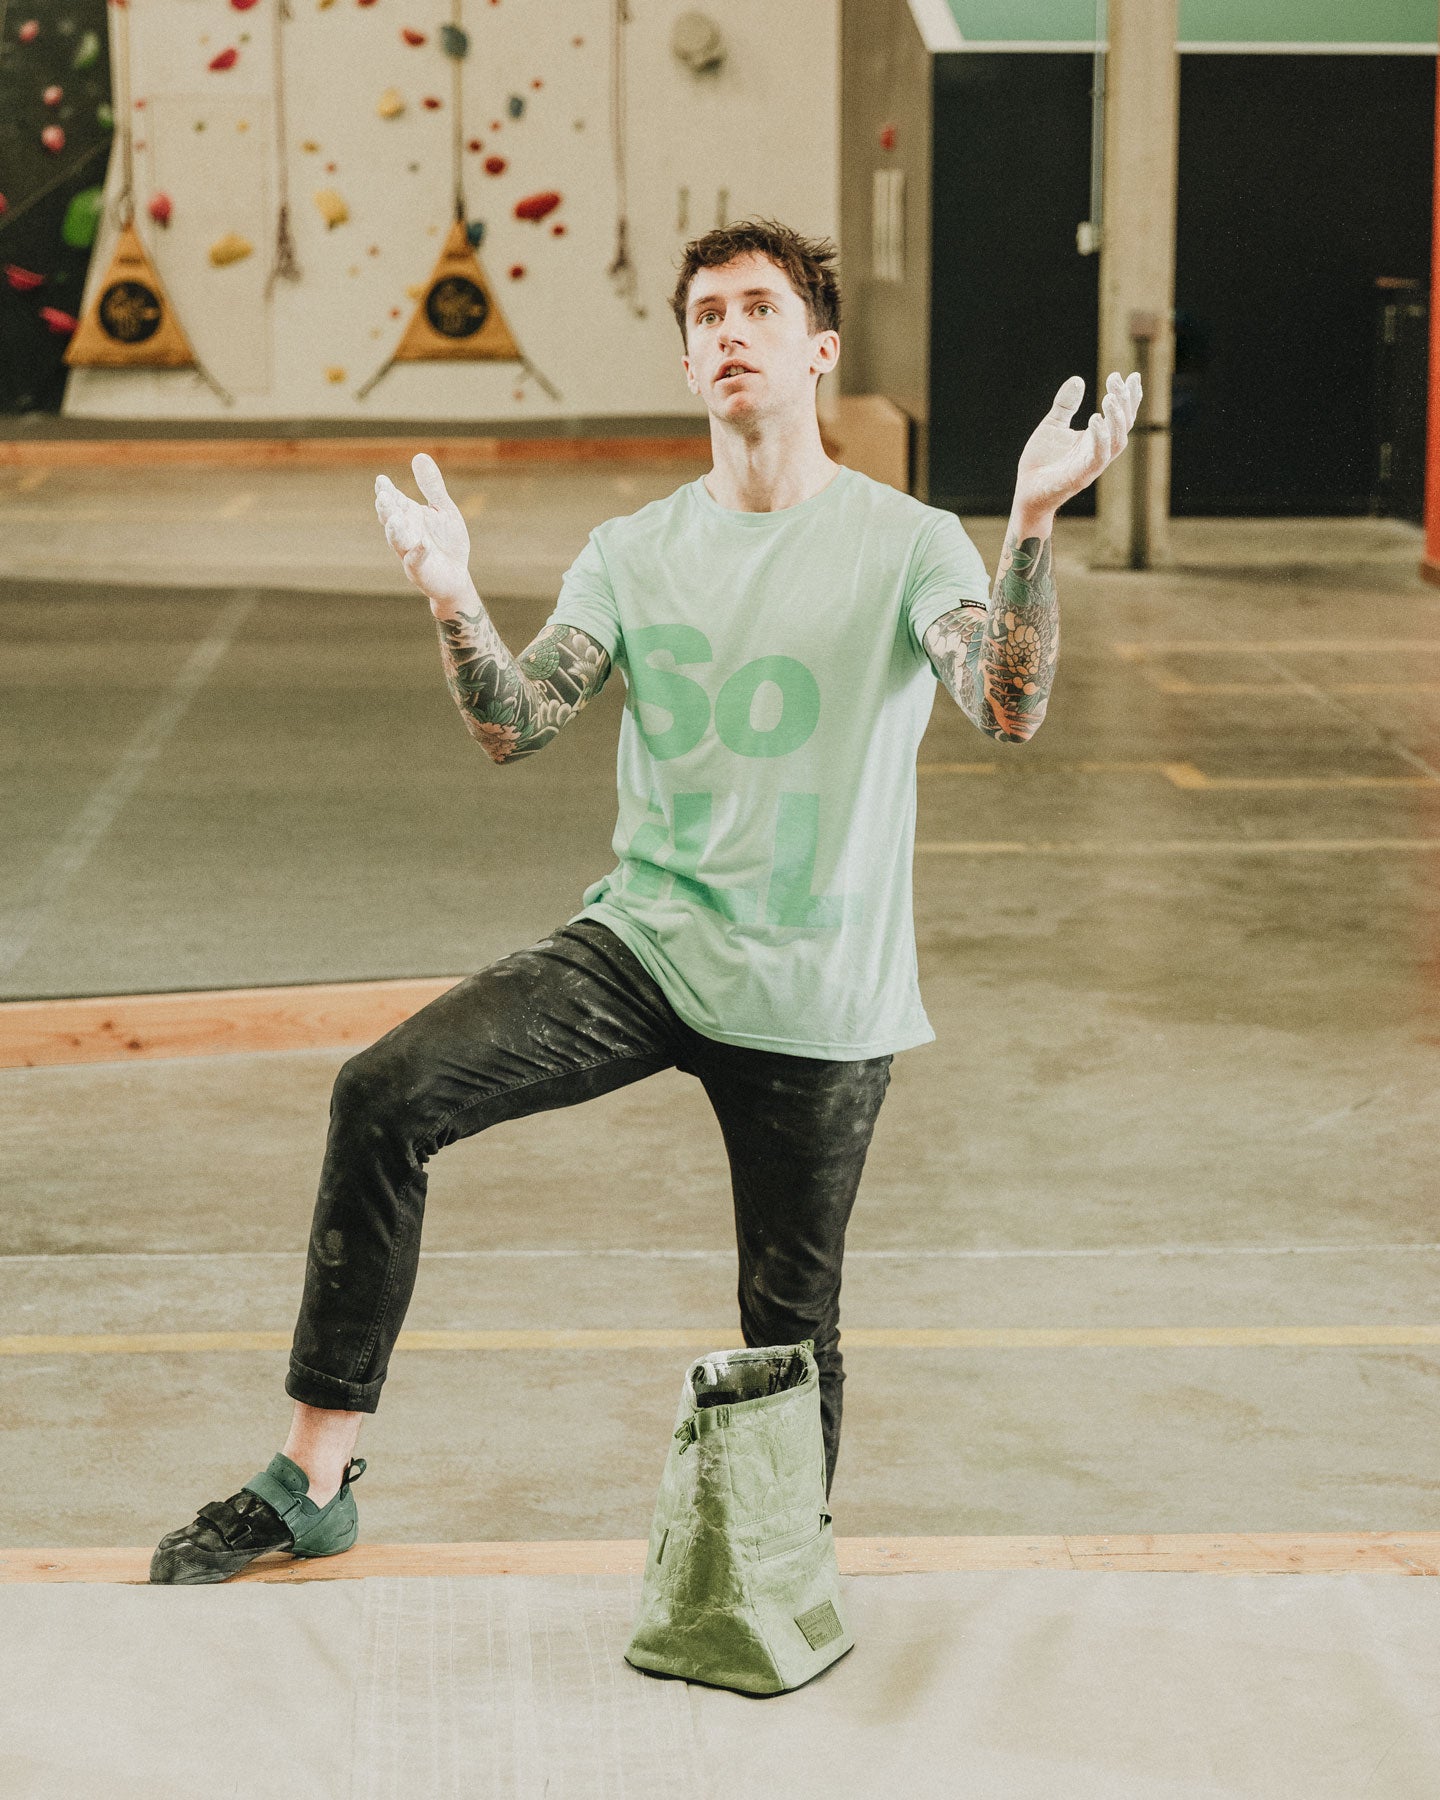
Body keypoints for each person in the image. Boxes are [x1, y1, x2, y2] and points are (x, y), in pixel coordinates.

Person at [150, 217, 1140, 1584]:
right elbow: (517, 720)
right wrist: (452, 596)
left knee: (789, 1320)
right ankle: (312, 1479)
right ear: (687, 361)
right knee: (384, 1094)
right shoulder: (634, 549)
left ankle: (784, 1558)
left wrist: (1030, 522)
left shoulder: (909, 543)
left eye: (759, 310)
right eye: (709, 316)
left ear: (819, 351)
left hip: (819, 985)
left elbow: (1006, 704)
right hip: (645, 948)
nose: (730, 331)